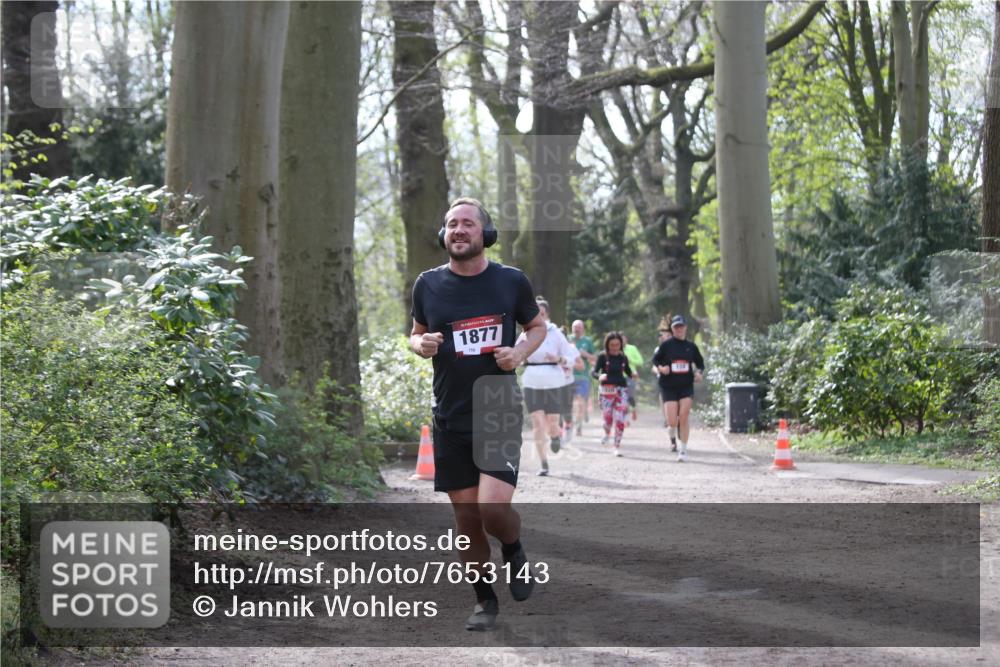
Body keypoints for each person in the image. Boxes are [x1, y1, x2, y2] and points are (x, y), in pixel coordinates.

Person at [410, 197, 546, 631]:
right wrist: (421, 344)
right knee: (467, 520)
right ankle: (484, 601)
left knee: (491, 508)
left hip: (497, 407)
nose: (459, 230)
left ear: (484, 234)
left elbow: (537, 326)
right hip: (449, 414)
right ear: (444, 235)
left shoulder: (510, 281)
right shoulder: (427, 284)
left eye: (468, 223)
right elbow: (414, 334)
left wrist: (519, 353)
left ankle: (512, 544)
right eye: (451, 224)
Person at [517, 297, 580, 477]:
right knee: (537, 423)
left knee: (552, 422)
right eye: (535, 311)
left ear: (546, 314)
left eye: (541, 312)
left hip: (554, 380)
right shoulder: (525, 334)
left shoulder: (556, 333)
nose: (538, 314)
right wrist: (519, 357)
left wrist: (558, 359)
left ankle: (555, 436)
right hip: (531, 380)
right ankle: (544, 463)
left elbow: (571, 359)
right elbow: (515, 354)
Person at [651, 315, 705, 462]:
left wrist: (699, 373)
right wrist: (662, 368)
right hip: (668, 386)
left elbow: (700, 363)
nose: (679, 329)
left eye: (681, 326)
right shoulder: (666, 345)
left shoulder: (691, 347)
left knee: (684, 416)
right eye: (676, 327)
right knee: (672, 422)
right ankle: (674, 436)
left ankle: (683, 450)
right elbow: (655, 360)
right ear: (673, 329)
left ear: (685, 328)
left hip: (686, 386)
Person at [591, 331, 636, 456]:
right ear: (607, 345)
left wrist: (632, 375)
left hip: (621, 390)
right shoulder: (602, 357)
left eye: (617, 345)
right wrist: (599, 376)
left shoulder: (623, 357)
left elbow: (627, 371)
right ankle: (606, 432)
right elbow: (593, 372)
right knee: (608, 419)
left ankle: (616, 446)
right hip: (606, 390)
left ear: (621, 345)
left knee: (620, 419)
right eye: (612, 345)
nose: (615, 348)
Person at [569, 320, 597, 435]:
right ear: (572, 328)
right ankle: (570, 422)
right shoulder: (567, 339)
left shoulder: (588, 341)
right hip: (567, 376)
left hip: (583, 377)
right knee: (570, 403)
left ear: (583, 329)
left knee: (580, 401)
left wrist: (585, 354)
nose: (577, 329)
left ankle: (578, 425)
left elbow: (595, 359)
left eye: (579, 327)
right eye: (575, 327)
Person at [652, 317, 673, 433]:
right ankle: (666, 419)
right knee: (663, 398)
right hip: (662, 378)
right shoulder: (658, 349)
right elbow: (654, 365)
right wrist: (658, 370)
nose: (666, 337)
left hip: (676, 379)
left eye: (669, 335)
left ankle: (674, 418)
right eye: (664, 335)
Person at [621, 333, 644, 422]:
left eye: (624, 339)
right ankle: (625, 420)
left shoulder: (632, 348)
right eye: (620, 339)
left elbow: (641, 361)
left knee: (630, 396)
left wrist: (631, 360)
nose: (622, 341)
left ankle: (634, 409)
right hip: (619, 377)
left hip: (631, 376)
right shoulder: (615, 349)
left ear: (627, 340)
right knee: (623, 398)